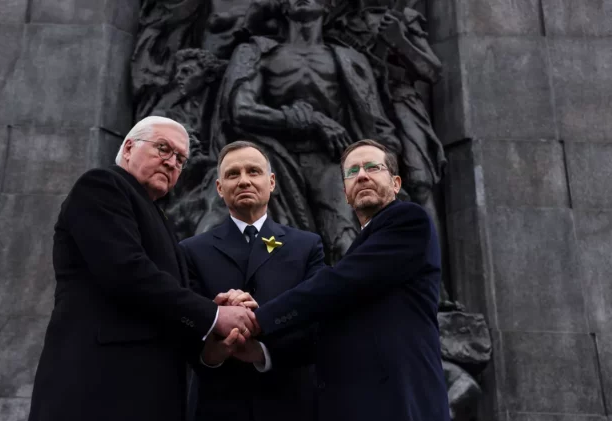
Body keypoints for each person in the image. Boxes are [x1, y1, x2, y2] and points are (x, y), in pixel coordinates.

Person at [27, 116, 258, 421]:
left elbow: (163, 300)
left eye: (180, 159)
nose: (172, 162)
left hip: (145, 394)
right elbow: (126, 273)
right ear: (128, 148)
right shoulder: (101, 186)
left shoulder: (156, 216)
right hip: (98, 389)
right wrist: (213, 315)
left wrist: (211, 341)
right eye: (163, 148)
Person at [246, 139, 450, 421]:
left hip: (399, 404)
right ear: (345, 193)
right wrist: (260, 351)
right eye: (352, 172)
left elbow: (339, 283)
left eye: (373, 167)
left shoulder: (409, 220)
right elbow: (330, 330)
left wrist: (258, 319)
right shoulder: (360, 251)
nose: (362, 175)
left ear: (396, 184)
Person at [203, 0, 401, 263]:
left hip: (330, 161)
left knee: (345, 242)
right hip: (270, 159)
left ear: (328, 6)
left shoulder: (349, 59)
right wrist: (309, 120)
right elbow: (240, 108)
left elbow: (375, 123)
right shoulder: (255, 52)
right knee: (259, 243)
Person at [179, 141, 325, 421]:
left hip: (291, 403)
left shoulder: (306, 246)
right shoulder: (191, 250)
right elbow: (182, 324)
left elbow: (317, 319)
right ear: (220, 188)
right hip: (217, 405)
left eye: (253, 171)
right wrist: (214, 321)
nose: (244, 180)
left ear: (271, 182)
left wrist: (261, 349)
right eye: (233, 174)